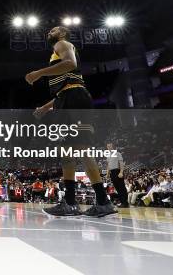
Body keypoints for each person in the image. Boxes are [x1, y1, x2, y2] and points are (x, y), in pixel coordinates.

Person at [25, 26, 117, 218]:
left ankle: (100, 201)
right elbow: (65, 88)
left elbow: (70, 63)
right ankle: (71, 202)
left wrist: (39, 73)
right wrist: (45, 108)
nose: (51, 30)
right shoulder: (57, 52)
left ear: (63, 34)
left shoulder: (63, 44)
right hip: (67, 98)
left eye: (55, 29)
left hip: (74, 99)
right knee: (68, 152)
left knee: (80, 149)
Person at [105, 142, 129, 208]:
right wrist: (107, 174)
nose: (109, 147)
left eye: (110, 146)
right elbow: (108, 166)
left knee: (122, 188)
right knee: (117, 188)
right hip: (112, 173)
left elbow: (121, 164)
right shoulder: (108, 155)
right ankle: (122, 202)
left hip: (117, 171)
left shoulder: (118, 154)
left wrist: (121, 172)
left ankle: (125, 203)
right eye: (108, 146)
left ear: (113, 147)